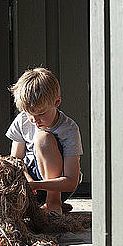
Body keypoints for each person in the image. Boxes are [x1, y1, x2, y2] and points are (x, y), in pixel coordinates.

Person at [6, 67, 83, 215]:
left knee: (43, 138)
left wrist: (36, 184)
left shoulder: (69, 129)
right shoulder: (22, 120)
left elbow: (71, 181)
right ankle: (37, 205)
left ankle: (53, 202)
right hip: (30, 185)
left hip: (58, 188)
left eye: (41, 113)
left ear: (57, 102)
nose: (34, 120)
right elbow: (15, 160)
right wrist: (27, 180)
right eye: (29, 113)